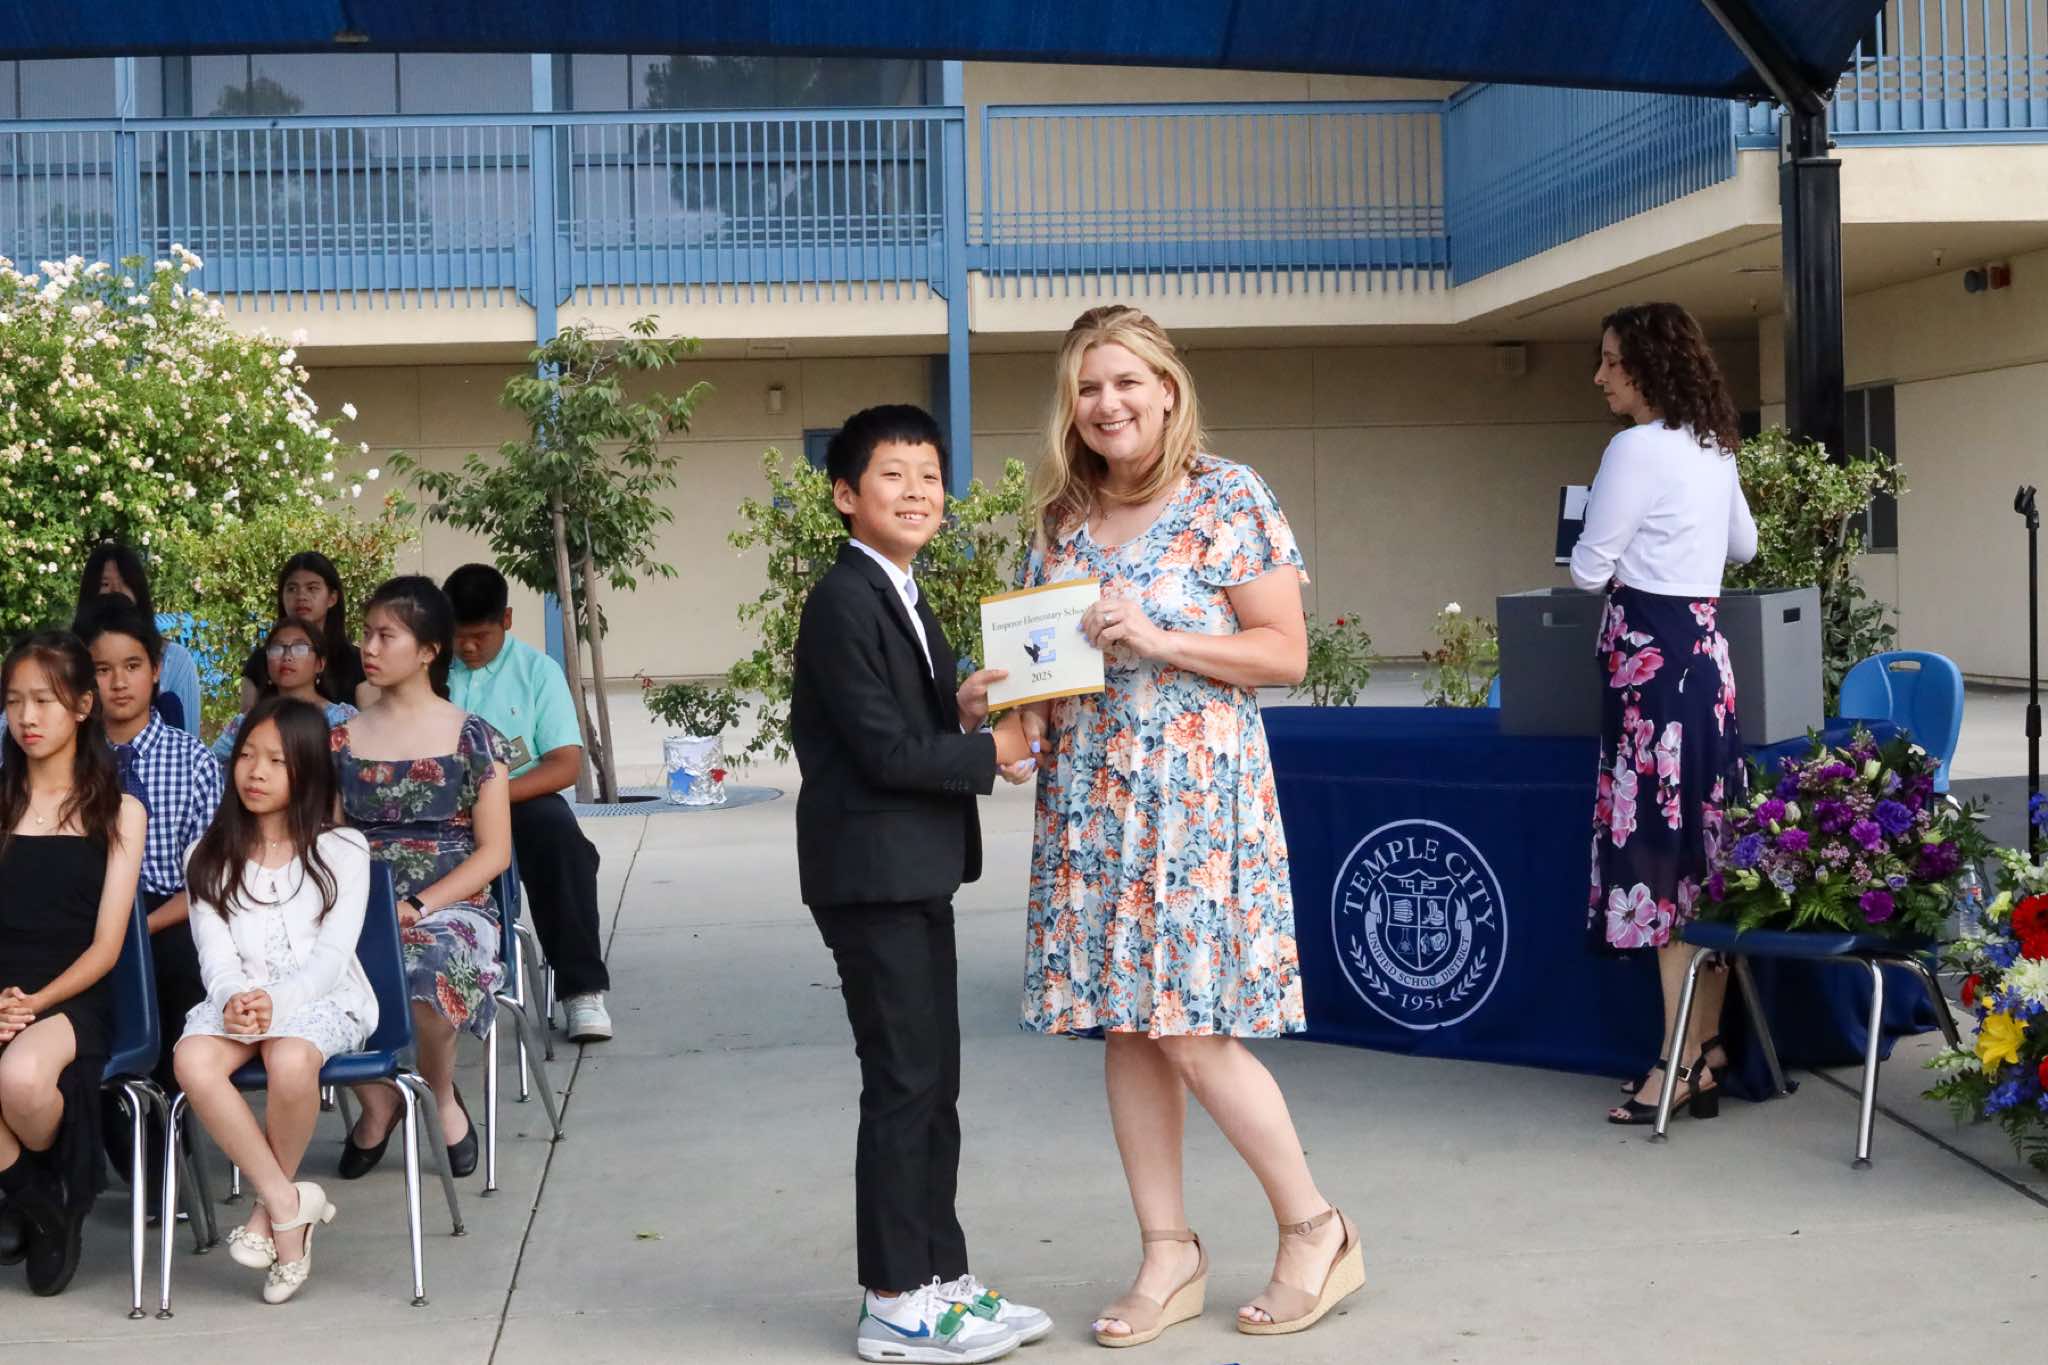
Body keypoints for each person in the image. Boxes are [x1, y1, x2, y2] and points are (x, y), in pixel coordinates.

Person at [999, 305, 1361, 1344]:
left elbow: (1283, 652)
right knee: (1127, 1026)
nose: (1106, 403)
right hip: (1092, 803)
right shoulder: (1060, 518)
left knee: (1191, 1029)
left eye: (1126, 382)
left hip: (1195, 800)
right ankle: (1168, 1252)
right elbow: (1042, 664)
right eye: (1087, 386)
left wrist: (1159, 637)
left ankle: (1315, 1228)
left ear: (1166, 390)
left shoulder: (1226, 495)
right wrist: (1009, 715)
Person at [793, 404, 1047, 1363]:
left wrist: (966, 708)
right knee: (904, 1083)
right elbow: (884, 752)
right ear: (845, 495)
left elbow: (905, 721)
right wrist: (994, 748)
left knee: (934, 1082)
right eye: (892, 476)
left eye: (930, 476)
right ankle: (894, 1299)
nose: (917, 492)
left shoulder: (899, 588)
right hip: (871, 877)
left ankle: (942, 1278)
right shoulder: (843, 598)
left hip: (911, 871)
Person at [1570, 301, 1757, 1126]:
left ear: (1646, 364)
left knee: (1658, 858)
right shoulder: (1713, 444)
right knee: (1702, 856)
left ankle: (1675, 1062)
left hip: (1650, 673)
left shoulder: (1634, 448)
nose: (1601, 376)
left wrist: (1614, 537)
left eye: (1611, 360)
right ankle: (1706, 1049)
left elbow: (1588, 569)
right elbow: (1744, 546)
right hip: (1705, 664)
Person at [175, 696, 374, 1304]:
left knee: (289, 1058)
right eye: (247, 756)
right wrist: (233, 997)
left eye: (277, 761)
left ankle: (269, 1216)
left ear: (307, 769)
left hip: (321, 997)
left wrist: (278, 1002)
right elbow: (214, 955)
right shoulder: (207, 855)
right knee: (191, 1060)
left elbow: (331, 958)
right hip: (238, 997)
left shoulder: (344, 850)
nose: (255, 772)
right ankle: (289, 1205)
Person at [329, 576, 509, 1181]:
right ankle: (379, 1099)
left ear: (429, 651)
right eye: (366, 634)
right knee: (307, 965)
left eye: (387, 636)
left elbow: (495, 852)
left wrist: (417, 904)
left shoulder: (474, 737)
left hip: (453, 905)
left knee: (432, 968)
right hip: (359, 900)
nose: (369, 647)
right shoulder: (339, 739)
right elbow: (328, 840)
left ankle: (439, 1092)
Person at [0, 631, 147, 1296]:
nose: (26, 717)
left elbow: (107, 946)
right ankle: (41, 1201)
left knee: (22, 1078)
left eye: (44, 700)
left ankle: (34, 1184)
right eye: (13, 701)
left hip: (73, 992)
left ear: (83, 705)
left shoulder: (120, 812)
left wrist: (33, 1003)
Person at [75, 596, 224, 1200]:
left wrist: (138, 929)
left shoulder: (193, 761)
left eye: (132, 666)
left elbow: (207, 880)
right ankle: (104, 1139)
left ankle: (165, 1151)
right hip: (82, 918)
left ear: (156, 670)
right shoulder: (66, 758)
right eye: (102, 669)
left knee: (180, 975)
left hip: (165, 915)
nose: (118, 682)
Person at [443, 563, 612, 1043]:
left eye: (480, 636)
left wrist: (491, 799)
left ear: (507, 620)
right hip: (440, 807)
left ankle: (582, 990)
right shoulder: (429, 669)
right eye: (458, 636)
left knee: (563, 843)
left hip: (518, 799)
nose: (467, 647)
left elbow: (564, 764)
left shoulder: (538, 671)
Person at [80, 541, 202, 736]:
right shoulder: (68, 659)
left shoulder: (177, 660)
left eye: (132, 666)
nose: (116, 591)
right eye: (105, 584)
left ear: (155, 669)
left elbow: (190, 735)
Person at [212, 619, 359, 766]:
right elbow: (212, 768)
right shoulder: (246, 723)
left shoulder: (343, 719)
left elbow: (361, 774)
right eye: (276, 648)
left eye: (300, 648)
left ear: (320, 664)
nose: (286, 656)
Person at [240, 553, 372, 713]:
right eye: (292, 589)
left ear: (332, 598)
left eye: (312, 588)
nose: (301, 596)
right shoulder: (261, 660)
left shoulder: (356, 662)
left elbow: (372, 721)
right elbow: (246, 722)